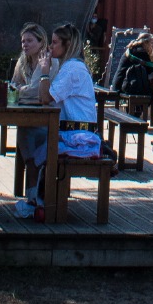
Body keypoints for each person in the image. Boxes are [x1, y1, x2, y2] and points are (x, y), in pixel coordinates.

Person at [21, 22, 103, 219]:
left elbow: (44, 98)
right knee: (31, 137)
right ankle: (37, 199)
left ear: (67, 45)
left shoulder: (71, 69)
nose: (51, 47)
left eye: (55, 43)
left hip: (79, 136)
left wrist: (45, 71)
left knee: (35, 151)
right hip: (73, 131)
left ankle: (41, 203)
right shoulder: (71, 66)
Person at [10, 24, 60, 191]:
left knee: (34, 154)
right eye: (23, 41)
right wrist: (18, 90)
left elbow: (36, 91)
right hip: (26, 116)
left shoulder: (49, 62)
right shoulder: (22, 61)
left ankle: (35, 193)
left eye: (30, 40)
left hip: (46, 119)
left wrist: (18, 90)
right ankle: (32, 193)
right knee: (23, 130)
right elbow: (13, 85)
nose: (25, 44)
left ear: (41, 42)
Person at [112, 32, 153, 99]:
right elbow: (151, 70)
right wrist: (151, 55)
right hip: (124, 86)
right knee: (151, 96)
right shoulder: (141, 52)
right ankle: (142, 109)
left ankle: (137, 108)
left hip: (119, 84)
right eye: (151, 43)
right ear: (145, 42)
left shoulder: (132, 48)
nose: (152, 45)